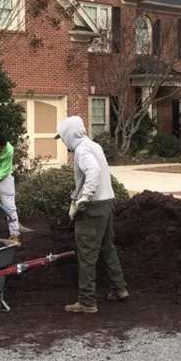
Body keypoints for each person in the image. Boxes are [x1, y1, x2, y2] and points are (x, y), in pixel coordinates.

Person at [55, 116, 127, 313]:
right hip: (106, 203)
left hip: (93, 208)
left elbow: (93, 171)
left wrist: (84, 198)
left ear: (69, 135)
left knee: (86, 254)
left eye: (62, 138)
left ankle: (87, 301)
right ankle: (119, 288)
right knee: (107, 247)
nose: (63, 142)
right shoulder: (94, 146)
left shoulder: (81, 150)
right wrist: (74, 199)